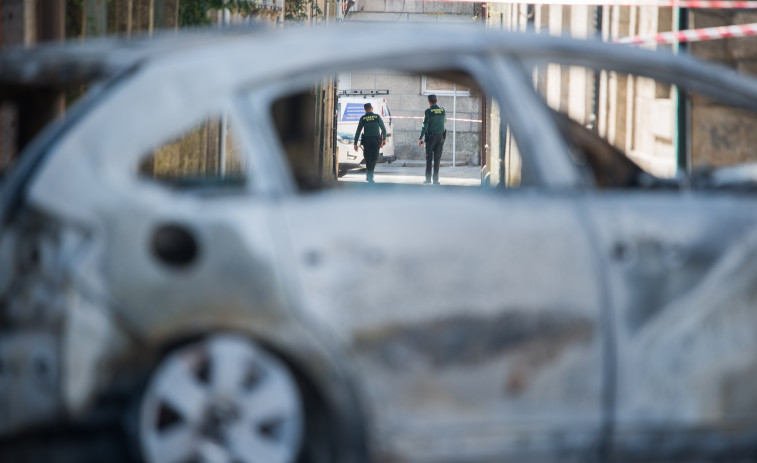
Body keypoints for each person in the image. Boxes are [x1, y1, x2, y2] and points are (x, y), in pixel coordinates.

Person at [353, 103, 387, 183]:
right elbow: (383, 129)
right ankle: (370, 175)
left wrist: (355, 143)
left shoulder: (363, 118)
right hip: (375, 141)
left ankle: (369, 175)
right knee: (374, 158)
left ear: (365, 109)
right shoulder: (377, 117)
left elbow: (358, 131)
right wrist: (384, 139)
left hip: (366, 141)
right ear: (372, 108)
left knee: (367, 158)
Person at [418, 94, 446, 185]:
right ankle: (436, 180)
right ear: (436, 101)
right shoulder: (442, 111)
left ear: (429, 102)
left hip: (430, 137)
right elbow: (444, 121)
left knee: (429, 158)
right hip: (441, 137)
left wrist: (420, 137)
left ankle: (428, 179)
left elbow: (424, 126)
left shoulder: (428, 111)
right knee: (437, 159)